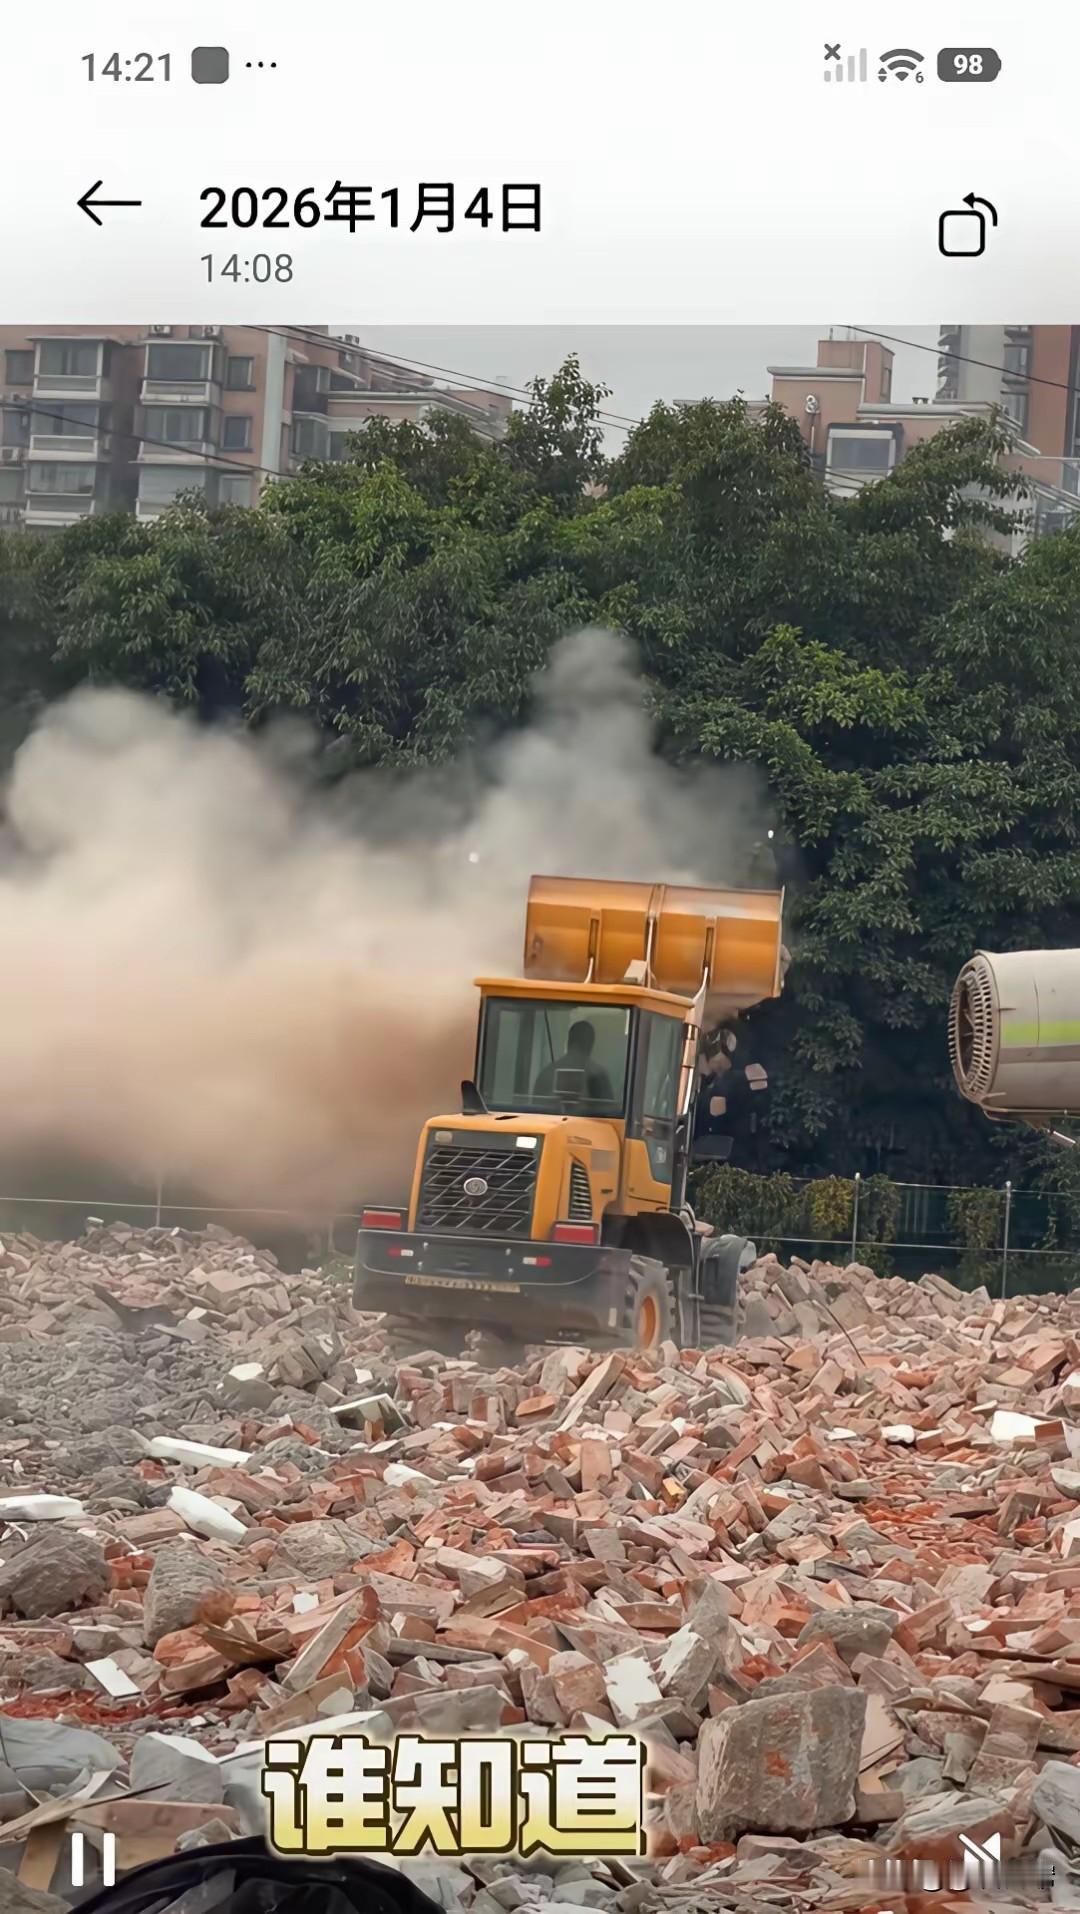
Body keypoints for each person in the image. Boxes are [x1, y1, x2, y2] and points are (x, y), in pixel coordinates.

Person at [534, 1019, 615, 1105]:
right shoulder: (599, 1076)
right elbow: (609, 1108)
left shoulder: (546, 1073)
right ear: (591, 1045)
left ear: (569, 1042)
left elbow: (534, 1107)